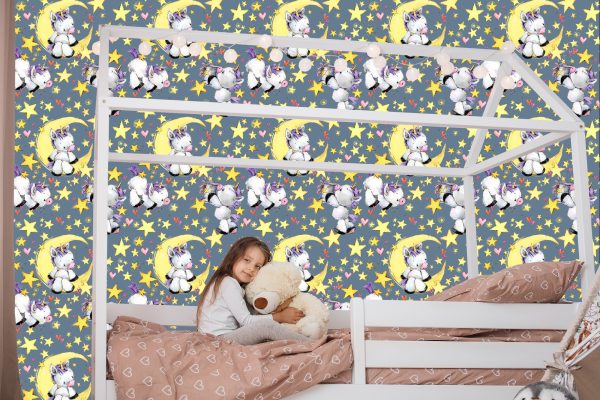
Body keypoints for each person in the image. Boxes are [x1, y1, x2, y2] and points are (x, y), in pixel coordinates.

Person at [196, 236, 310, 345]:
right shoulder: (228, 282)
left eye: (258, 266)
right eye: (247, 260)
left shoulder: (233, 284)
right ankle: (310, 344)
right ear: (233, 257)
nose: (251, 268)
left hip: (221, 337)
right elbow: (246, 321)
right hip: (220, 339)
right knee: (266, 326)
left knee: (265, 332)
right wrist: (280, 316)